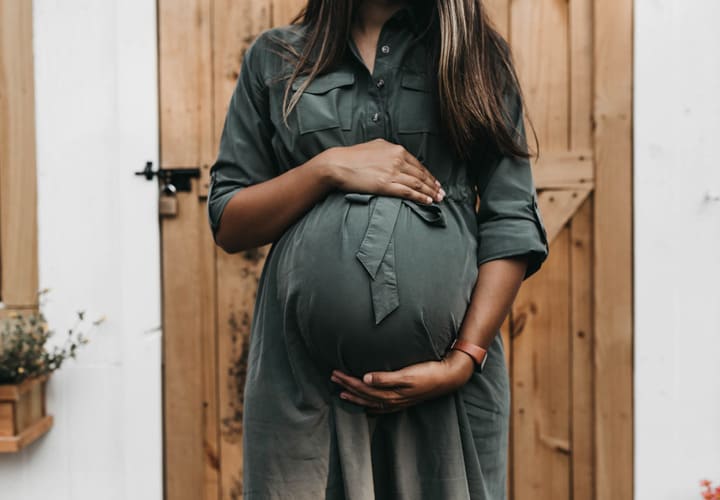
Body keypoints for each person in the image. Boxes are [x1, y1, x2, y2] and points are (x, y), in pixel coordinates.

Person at [206, 1, 549, 498]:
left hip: (447, 390)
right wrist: (326, 168)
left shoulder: (474, 56)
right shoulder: (275, 58)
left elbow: (511, 219)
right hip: (306, 390)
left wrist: (462, 361)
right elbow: (229, 222)